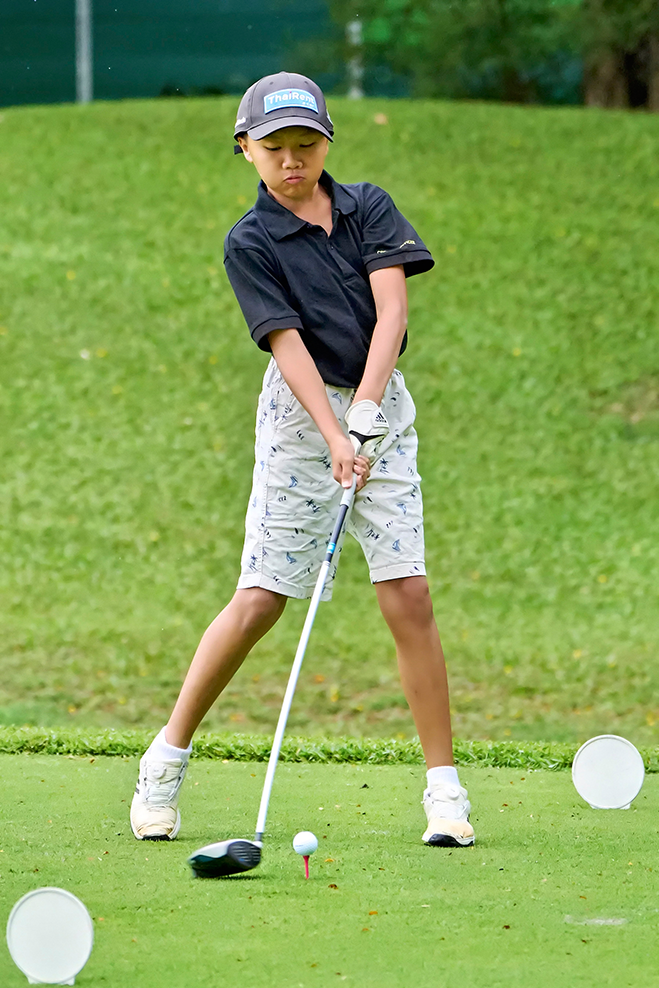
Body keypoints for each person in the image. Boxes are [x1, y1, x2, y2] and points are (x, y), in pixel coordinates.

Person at [130, 71, 475, 849]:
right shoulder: (248, 242)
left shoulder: (368, 208)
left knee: (408, 593)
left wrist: (365, 412)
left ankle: (444, 794)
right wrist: (330, 431)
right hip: (297, 421)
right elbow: (285, 343)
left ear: (326, 143)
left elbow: (392, 308)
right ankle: (165, 759)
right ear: (245, 149)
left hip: (379, 410)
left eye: (306, 145)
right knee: (261, 600)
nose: (292, 161)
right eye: (275, 147)